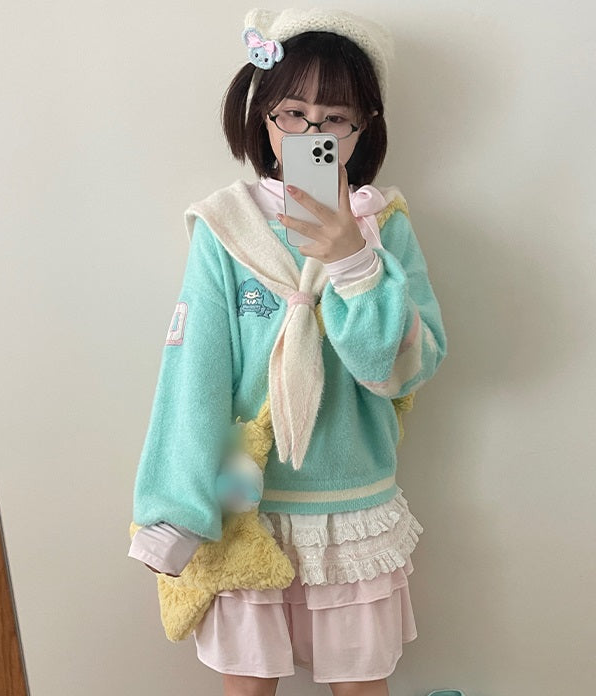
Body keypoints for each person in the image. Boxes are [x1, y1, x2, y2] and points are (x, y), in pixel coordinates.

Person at [129, 8, 447, 696]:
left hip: (352, 504)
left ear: (364, 127)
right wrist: (173, 509)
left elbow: (402, 372)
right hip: (244, 501)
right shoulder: (226, 226)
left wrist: (353, 262)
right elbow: (194, 373)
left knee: (360, 685)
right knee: (247, 687)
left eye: (334, 119)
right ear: (262, 116)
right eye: (293, 114)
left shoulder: (382, 225)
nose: (310, 133)